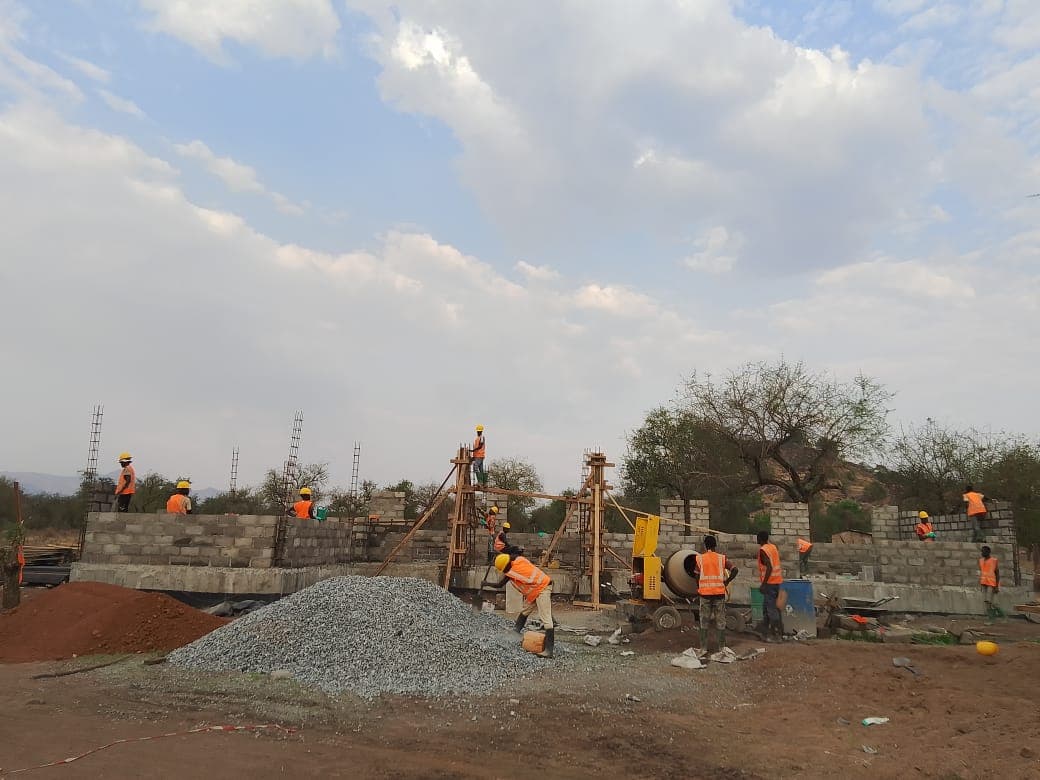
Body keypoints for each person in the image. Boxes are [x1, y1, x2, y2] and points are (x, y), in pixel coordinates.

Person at [493, 552, 554, 658]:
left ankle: (549, 650)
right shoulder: (518, 560)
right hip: (536, 589)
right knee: (525, 611)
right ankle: (516, 632)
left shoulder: (515, 571)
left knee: (546, 618)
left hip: (543, 588)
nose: (504, 572)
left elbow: (502, 583)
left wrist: (486, 583)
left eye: (504, 570)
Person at [696, 535, 738, 652]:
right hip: (719, 594)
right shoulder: (722, 558)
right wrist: (727, 581)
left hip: (705, 595)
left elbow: (696, 575)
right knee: (720, 621)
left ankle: (703, 648)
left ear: (705, 546)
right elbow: (735, 570)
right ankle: (721, 648)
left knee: (704, 621)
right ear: (715, 545)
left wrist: (699, 587)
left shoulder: (700, 559)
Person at [756, 530, 784, 641]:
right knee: (768, 608)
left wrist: (763, 584)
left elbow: (769, 567)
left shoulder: (763, 550)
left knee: (771, 610)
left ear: (760, 539)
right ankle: (767, 633)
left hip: (769, 584)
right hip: (777, 582)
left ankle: (776, 635)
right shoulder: (773, 547)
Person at [978, 545, 1001, 623]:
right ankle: (1000, 615)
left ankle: (992, 619)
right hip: (983, 583)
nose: (982, 553)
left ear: (988, 552)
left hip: (991, 584)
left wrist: (997, 586)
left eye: (983, 551)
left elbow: (997, 574)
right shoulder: (981, 561)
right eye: (981, 551)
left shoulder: (994, 561)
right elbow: (982, 572)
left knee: (990, 602)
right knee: (986, 602)